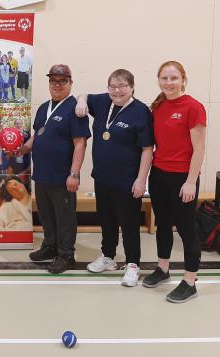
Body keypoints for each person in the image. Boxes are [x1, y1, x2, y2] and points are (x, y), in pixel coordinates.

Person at [75, 69, 154, 287]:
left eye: (122, 86)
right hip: (102, 178)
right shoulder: (103, 101)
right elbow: (84, 95)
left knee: (129, 225)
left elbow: (147, 149)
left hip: (128, 181)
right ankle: (108, 257)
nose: (117, 91)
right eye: (112, 86)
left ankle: (132, 264)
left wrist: (141, 180)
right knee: (106, 221)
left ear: (132, 87)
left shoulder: (140, 112)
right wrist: (81, 101)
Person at [142, 61, 206, 303]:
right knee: (164, 224)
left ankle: (190, 281)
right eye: (165, 78)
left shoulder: (194, 107)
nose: (169, 83)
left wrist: (191, 181)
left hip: (183, 178)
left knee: (187, 230)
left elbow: (199, 149)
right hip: (159, 175)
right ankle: (163, 268)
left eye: (173, 78)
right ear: (159, 80)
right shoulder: (158, 106)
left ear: (183, 80)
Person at [21, 64, 90, 274]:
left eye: (62, 81)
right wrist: (22, 149)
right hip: (42, 174)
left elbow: (80, 143)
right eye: (53, 81)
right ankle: (50, 247)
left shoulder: (76, 109)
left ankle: (66, 255)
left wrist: (74, 174)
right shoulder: (44, 108)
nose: (57, 85)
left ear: (70, 83)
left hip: (62, 177)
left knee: (64, 218)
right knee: (46, 215)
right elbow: (38, 135)